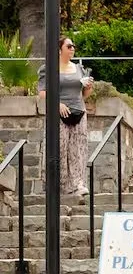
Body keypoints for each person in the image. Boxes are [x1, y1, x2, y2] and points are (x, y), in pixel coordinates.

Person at [36, 37, 93, 197]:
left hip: (78, 112)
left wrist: (89, 87)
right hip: (58, 114)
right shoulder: (48, 69)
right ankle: (57, 186)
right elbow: (42, 93)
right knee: (59, 149)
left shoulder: (79, 68)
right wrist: (57, 104)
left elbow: (84, 94)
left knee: (78, 149)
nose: (72, 49)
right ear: (59, 49)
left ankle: (78, 184)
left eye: (73, 46)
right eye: (69, 46)